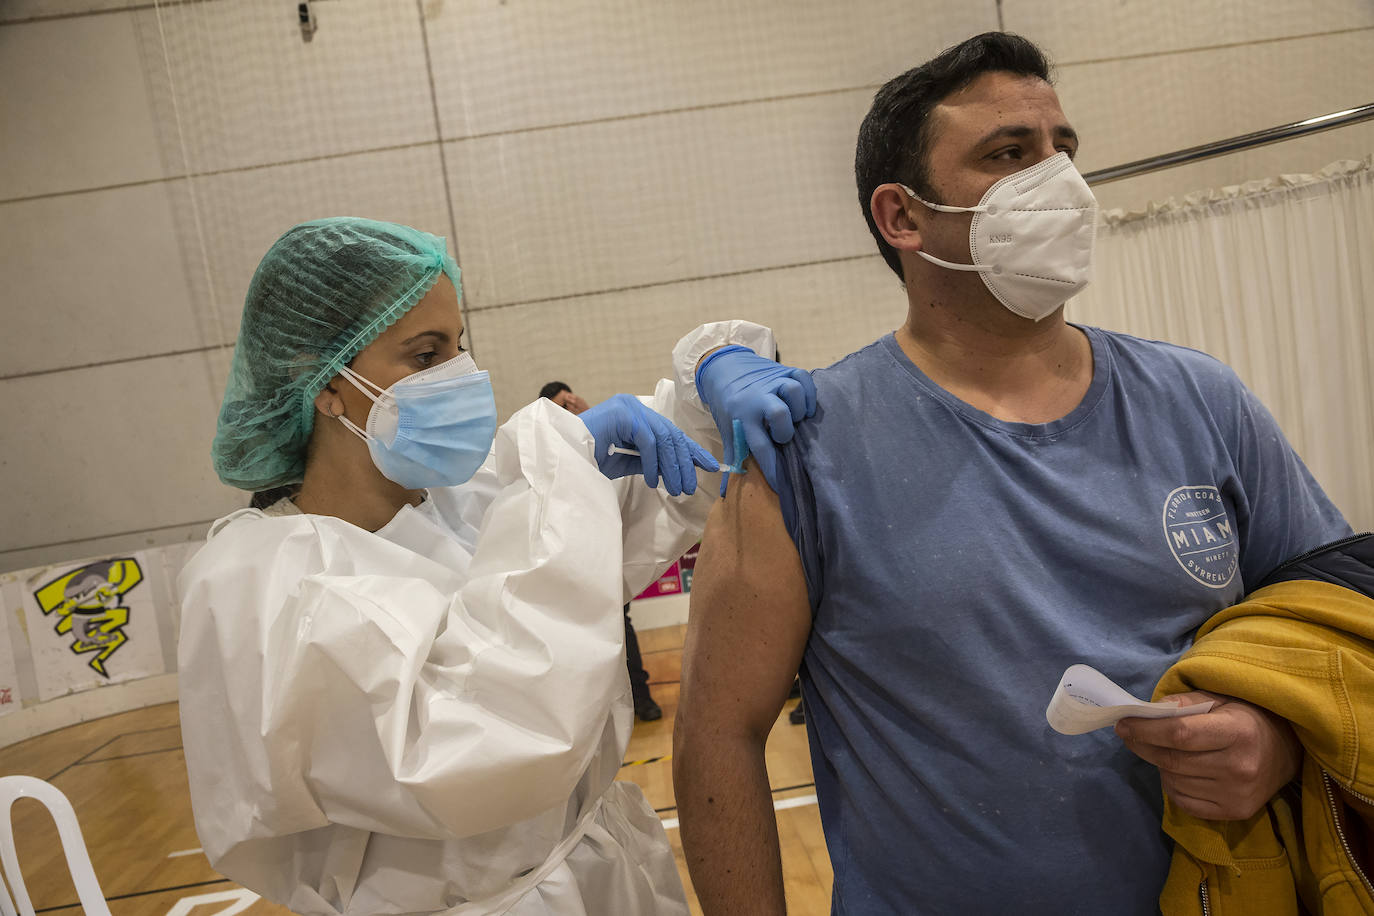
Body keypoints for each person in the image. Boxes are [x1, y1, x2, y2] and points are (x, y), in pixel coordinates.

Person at [673, 33, 1352, 915]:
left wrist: (1283, 740)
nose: (1060, 182)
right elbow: (717, 735)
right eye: (1009, 155)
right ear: (903, 217)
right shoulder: (804, 448)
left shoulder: (1201, 400)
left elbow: (1338, 620)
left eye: (1062, 150)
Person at [177, 217, 815, 915]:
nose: (462, 374)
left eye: (459, 345)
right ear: (323, 385)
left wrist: (712, 381)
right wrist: (561, 467)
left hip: (601, 878)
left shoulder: (459, 503)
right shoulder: (262, 585)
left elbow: (638, 505)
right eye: (425, 356)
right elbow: (492, 742)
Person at [539, 379, 662, 722]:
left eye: (571, 403)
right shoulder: (542, 454)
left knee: (621, 626)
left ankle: (640, 699)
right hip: (567, 561)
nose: (571, 411)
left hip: (605, 554)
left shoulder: (598, 442)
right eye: (562, 407)